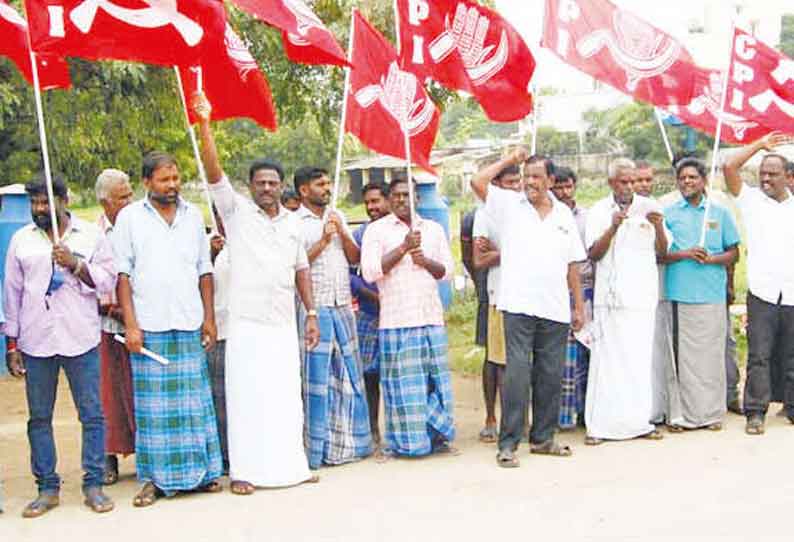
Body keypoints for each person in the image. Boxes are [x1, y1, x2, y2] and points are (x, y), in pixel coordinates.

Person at [192, 93, 320, 492]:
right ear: (250, 187)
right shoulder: (236, 213)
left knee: (285, 398)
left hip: (282, 323)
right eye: (260, 183)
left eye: (272, 183)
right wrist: (205, 122)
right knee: (247, 399)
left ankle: (290, 467)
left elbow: (301, 269)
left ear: (282, 187)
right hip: (246, 325)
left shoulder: (293, 223)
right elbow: (213, 173)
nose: (267, 188)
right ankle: (244, 473)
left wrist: (311, 314)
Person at [113, 151, 223, 507]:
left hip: (189, 320)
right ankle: (154, 481)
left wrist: (209, 317)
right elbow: (123, 275)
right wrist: (131, 324)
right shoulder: (129, 218)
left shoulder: (193, 216)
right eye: (164, 179)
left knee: (194, 403)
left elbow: (204, 270)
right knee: (154, 410)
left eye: (175, 178)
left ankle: (203, 474)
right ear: (147, 182)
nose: (172, 185)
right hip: (150, 326)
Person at [4, 174, 116, 517]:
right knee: (40, 418)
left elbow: (107, 281)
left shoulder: (91, 236)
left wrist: (76, 264)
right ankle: (47, 487)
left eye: (46, 203)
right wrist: (12, 343)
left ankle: (94, 483)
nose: (40, 209)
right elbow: (12, 292)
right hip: (36, 341)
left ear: (64, 201)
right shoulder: (21, 240)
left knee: (92, 414)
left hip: (80, 337)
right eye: (35, 203)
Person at [471, 150, 586, 468]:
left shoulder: (564, 215)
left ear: (551, 180)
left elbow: (572, 264)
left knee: (550, 374)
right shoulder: (509, 204)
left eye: (537, 177)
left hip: (555, 308)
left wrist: (578, 306)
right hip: (518, 305)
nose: (530, 183)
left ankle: (543, 438)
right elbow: (477, 181)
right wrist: (511, 157)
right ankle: (508, 444)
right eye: (526, 176)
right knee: (517, 375)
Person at [361, 175, 457, 461]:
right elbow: (369, 272)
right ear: (389, 200)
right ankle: (407, 444)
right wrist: (403, 248)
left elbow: (448, 271)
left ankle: (437, 437)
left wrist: (424, 259)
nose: (402, 200)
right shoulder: (377, 231)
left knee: (434, 383)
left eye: (408, 195)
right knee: (402, 386)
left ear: (417, 198)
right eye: (397, 195)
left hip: (429, 317)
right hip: (397, 320)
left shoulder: (433, 229)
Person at [585, 158, 668, 445]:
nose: (630, 187)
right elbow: (593, 254)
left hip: (641, 298)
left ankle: (638, 422)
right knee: (607, 365)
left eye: (633, 181)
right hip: (610, 300)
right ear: (611, 183)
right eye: (624, 182)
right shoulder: (598, 211)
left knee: (639, 363)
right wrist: (612, 228)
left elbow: (663, 252)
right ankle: (600, 427)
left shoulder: (651, 207)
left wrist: (657, 226)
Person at [295, 167, 372, 468]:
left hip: (342, 304)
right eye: (320, 184)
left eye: (328, 183)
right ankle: (317, 450)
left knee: (350, 377)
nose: (327, 188)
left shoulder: (336, 214)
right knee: (319, 379)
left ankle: (352, 444)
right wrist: (323, 242)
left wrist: (340, 232)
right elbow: (295, 266)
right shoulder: (295, 223)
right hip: (315, 307)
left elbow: (355, 258)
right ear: (304, 190)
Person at [661, 158, 740, 431]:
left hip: (711, 295)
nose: (687, 182)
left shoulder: (719, 213)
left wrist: (712, 259)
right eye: (682, 178)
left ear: (703, 181)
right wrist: (685, 254)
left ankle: (710, 415)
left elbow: (734, 252)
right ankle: (681, 416)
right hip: (679, 294)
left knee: (710, 358)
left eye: (692, 177)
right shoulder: (668, 213)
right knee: (681, 360)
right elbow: (660, 254)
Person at [722, 132, 794, 434]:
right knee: (759, 355)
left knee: (792, 355)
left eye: (773, 174)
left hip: (792, 291)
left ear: (789, 177)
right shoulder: (751, 201)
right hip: (762, 292)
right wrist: (760, 146)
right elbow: (729, 168)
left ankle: (790, 407)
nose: (765, 179)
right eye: (763, 173)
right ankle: (755, 411)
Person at [470, 163, 521, 441]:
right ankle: (493, 417)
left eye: (519, 182)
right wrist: (513, 251)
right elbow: (479, 260)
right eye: (510, 183)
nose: (516, 187)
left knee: (522, 362)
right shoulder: (485, 213)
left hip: (529, 297)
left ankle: (519, 419)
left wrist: (502, 251)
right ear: (498, 186)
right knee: (496, 361)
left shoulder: (529, 210)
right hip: (499, 296)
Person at [94, 169, 135, 486]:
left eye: (131, 194)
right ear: (106, 202)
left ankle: (147, 454)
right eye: (123, 197)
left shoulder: (139, 225)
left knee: (140, 392)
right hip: (103, 326)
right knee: (105, 394)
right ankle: (106, 458)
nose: (130, 201)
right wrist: (111, 307)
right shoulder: (92, 234)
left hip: (141, 323)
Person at [551, 166, 594, 429]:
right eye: (559, 187)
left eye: (569, 187)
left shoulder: (587, 217)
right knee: (562, 359)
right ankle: (561, 416)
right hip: (556, 292)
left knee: (587, 354)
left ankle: (586, 412)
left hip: (587, 291)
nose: (565, 193)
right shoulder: (548, 218)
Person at [350, 182, 390, 446]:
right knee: (370, 375)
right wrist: (375, 297)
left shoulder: (401, 232)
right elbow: (351, 276)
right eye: (368, 202)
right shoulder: (360, 235)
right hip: (368, 313)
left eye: (376, 201)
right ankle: (373, 432)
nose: (372, 207)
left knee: (396, 374)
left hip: (399, 314)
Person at [460, 197, 491, 440]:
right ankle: (491, 417)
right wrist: (481, 285)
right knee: (492, 358)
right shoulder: (473, 218)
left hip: (520, 297)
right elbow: (469, 259)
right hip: (488, 295)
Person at [207, 205, 230, 474]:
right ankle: (224, 456)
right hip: (219, 330)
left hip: (246, 331)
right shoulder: (207, 244)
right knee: (220, 398)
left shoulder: (249, 241)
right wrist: (212, 254)